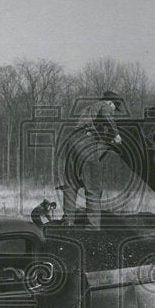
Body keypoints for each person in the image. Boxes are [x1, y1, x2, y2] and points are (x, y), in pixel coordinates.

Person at [59, 90, 123, 229]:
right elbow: (107, 115)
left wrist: (105, 138)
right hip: (86, 144)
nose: (114, 111)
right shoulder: (105, 106)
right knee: (93, 187)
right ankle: (93, 225)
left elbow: (93, 127)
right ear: (110, 102)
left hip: (72, 143)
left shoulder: (89, 108)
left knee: (70, 185)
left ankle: (68, 222)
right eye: (115, 108)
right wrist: (116, 134)